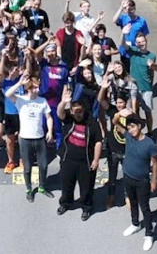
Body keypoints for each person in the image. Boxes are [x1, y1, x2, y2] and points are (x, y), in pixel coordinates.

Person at [55, 87, 102, 220]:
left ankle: (86, 207)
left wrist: (96, 160)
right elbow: (59, 113)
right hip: (68, 159)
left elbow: (98, 141)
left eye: (80, 111)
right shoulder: (68, 119)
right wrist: (63, 102)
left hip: (85, 161)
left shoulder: (91, 122)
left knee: (86, 187)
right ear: (71, 111)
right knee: (66, 185)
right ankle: (65, 203)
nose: (78, 114)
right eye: (75, 111)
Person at [7, 73, 55, 202]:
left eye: (38, 87)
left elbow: (49, 117)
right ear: (28, 88)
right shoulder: (20, 100)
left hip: (39, 138)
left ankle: (42, 187)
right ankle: (29, 189)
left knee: (43, 165)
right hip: (25, 139)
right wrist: (19, 83)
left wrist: (50, 131)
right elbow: (8, 94)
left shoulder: (42, 101)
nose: (37, 90)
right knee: (27, 167)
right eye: (34, 87)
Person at [120, 115, 157, 251]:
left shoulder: (150, 144)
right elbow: (115, 122)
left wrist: (154, 181)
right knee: (132, 202)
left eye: (133, 127)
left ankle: (149, 234)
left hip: (142, 181)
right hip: (127, 177)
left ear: (139, 126)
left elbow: (155, 163)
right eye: (128, 128)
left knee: (145, 207)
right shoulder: (128, 137)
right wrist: (119, 115)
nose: (131, 130)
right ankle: (135, 224)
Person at [99, 88, 132, 208]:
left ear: (126, 102)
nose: (119, 105)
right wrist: (103, 88)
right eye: (117, 102)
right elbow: (100, 99)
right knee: (112, 176)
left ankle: (128, 197)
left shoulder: (130, 114)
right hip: (112, 149)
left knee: (127, 176)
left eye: (121, 102)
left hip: (126, 150)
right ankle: (111, 197)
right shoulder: (112, 110)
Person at [0, 40, 23, 173]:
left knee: (22, 138)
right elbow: (0, 73)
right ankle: (11, 161)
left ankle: (23, 159)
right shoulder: (5, 81)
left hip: (22, 113)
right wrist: (3, 56)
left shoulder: (22, 80)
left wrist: (27, 55)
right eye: (11, 70)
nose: (13, 72)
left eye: (16, 70)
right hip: (10, 114)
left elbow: (28, 69)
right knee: (10, 140)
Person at [127, 33, 157, 127]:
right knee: (135, 111)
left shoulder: (152, 56)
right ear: (136, 43)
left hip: (146, 88)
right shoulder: (133, 51)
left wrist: (153, 66)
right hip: (134, 88)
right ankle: (137, 130)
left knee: (148, 112)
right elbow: (123, 44)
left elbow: (152, 72)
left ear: (146, 40)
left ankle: (150, 132)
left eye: (143, 41)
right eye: (139, 42)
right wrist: (123, 33)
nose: (141, 44)